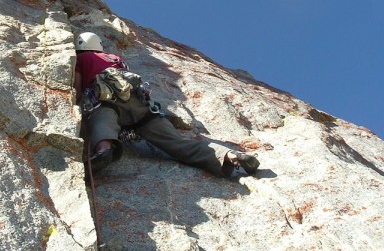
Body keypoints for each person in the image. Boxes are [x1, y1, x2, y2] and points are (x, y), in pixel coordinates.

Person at [74, 32, 260, 178]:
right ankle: (229, 156)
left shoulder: (81, 59)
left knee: (102, 119)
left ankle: (104, 151)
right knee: (178, 143)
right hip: (141, 106)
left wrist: (76, 100)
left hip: (107, 102)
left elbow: (78, 84)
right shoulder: (113, 57)